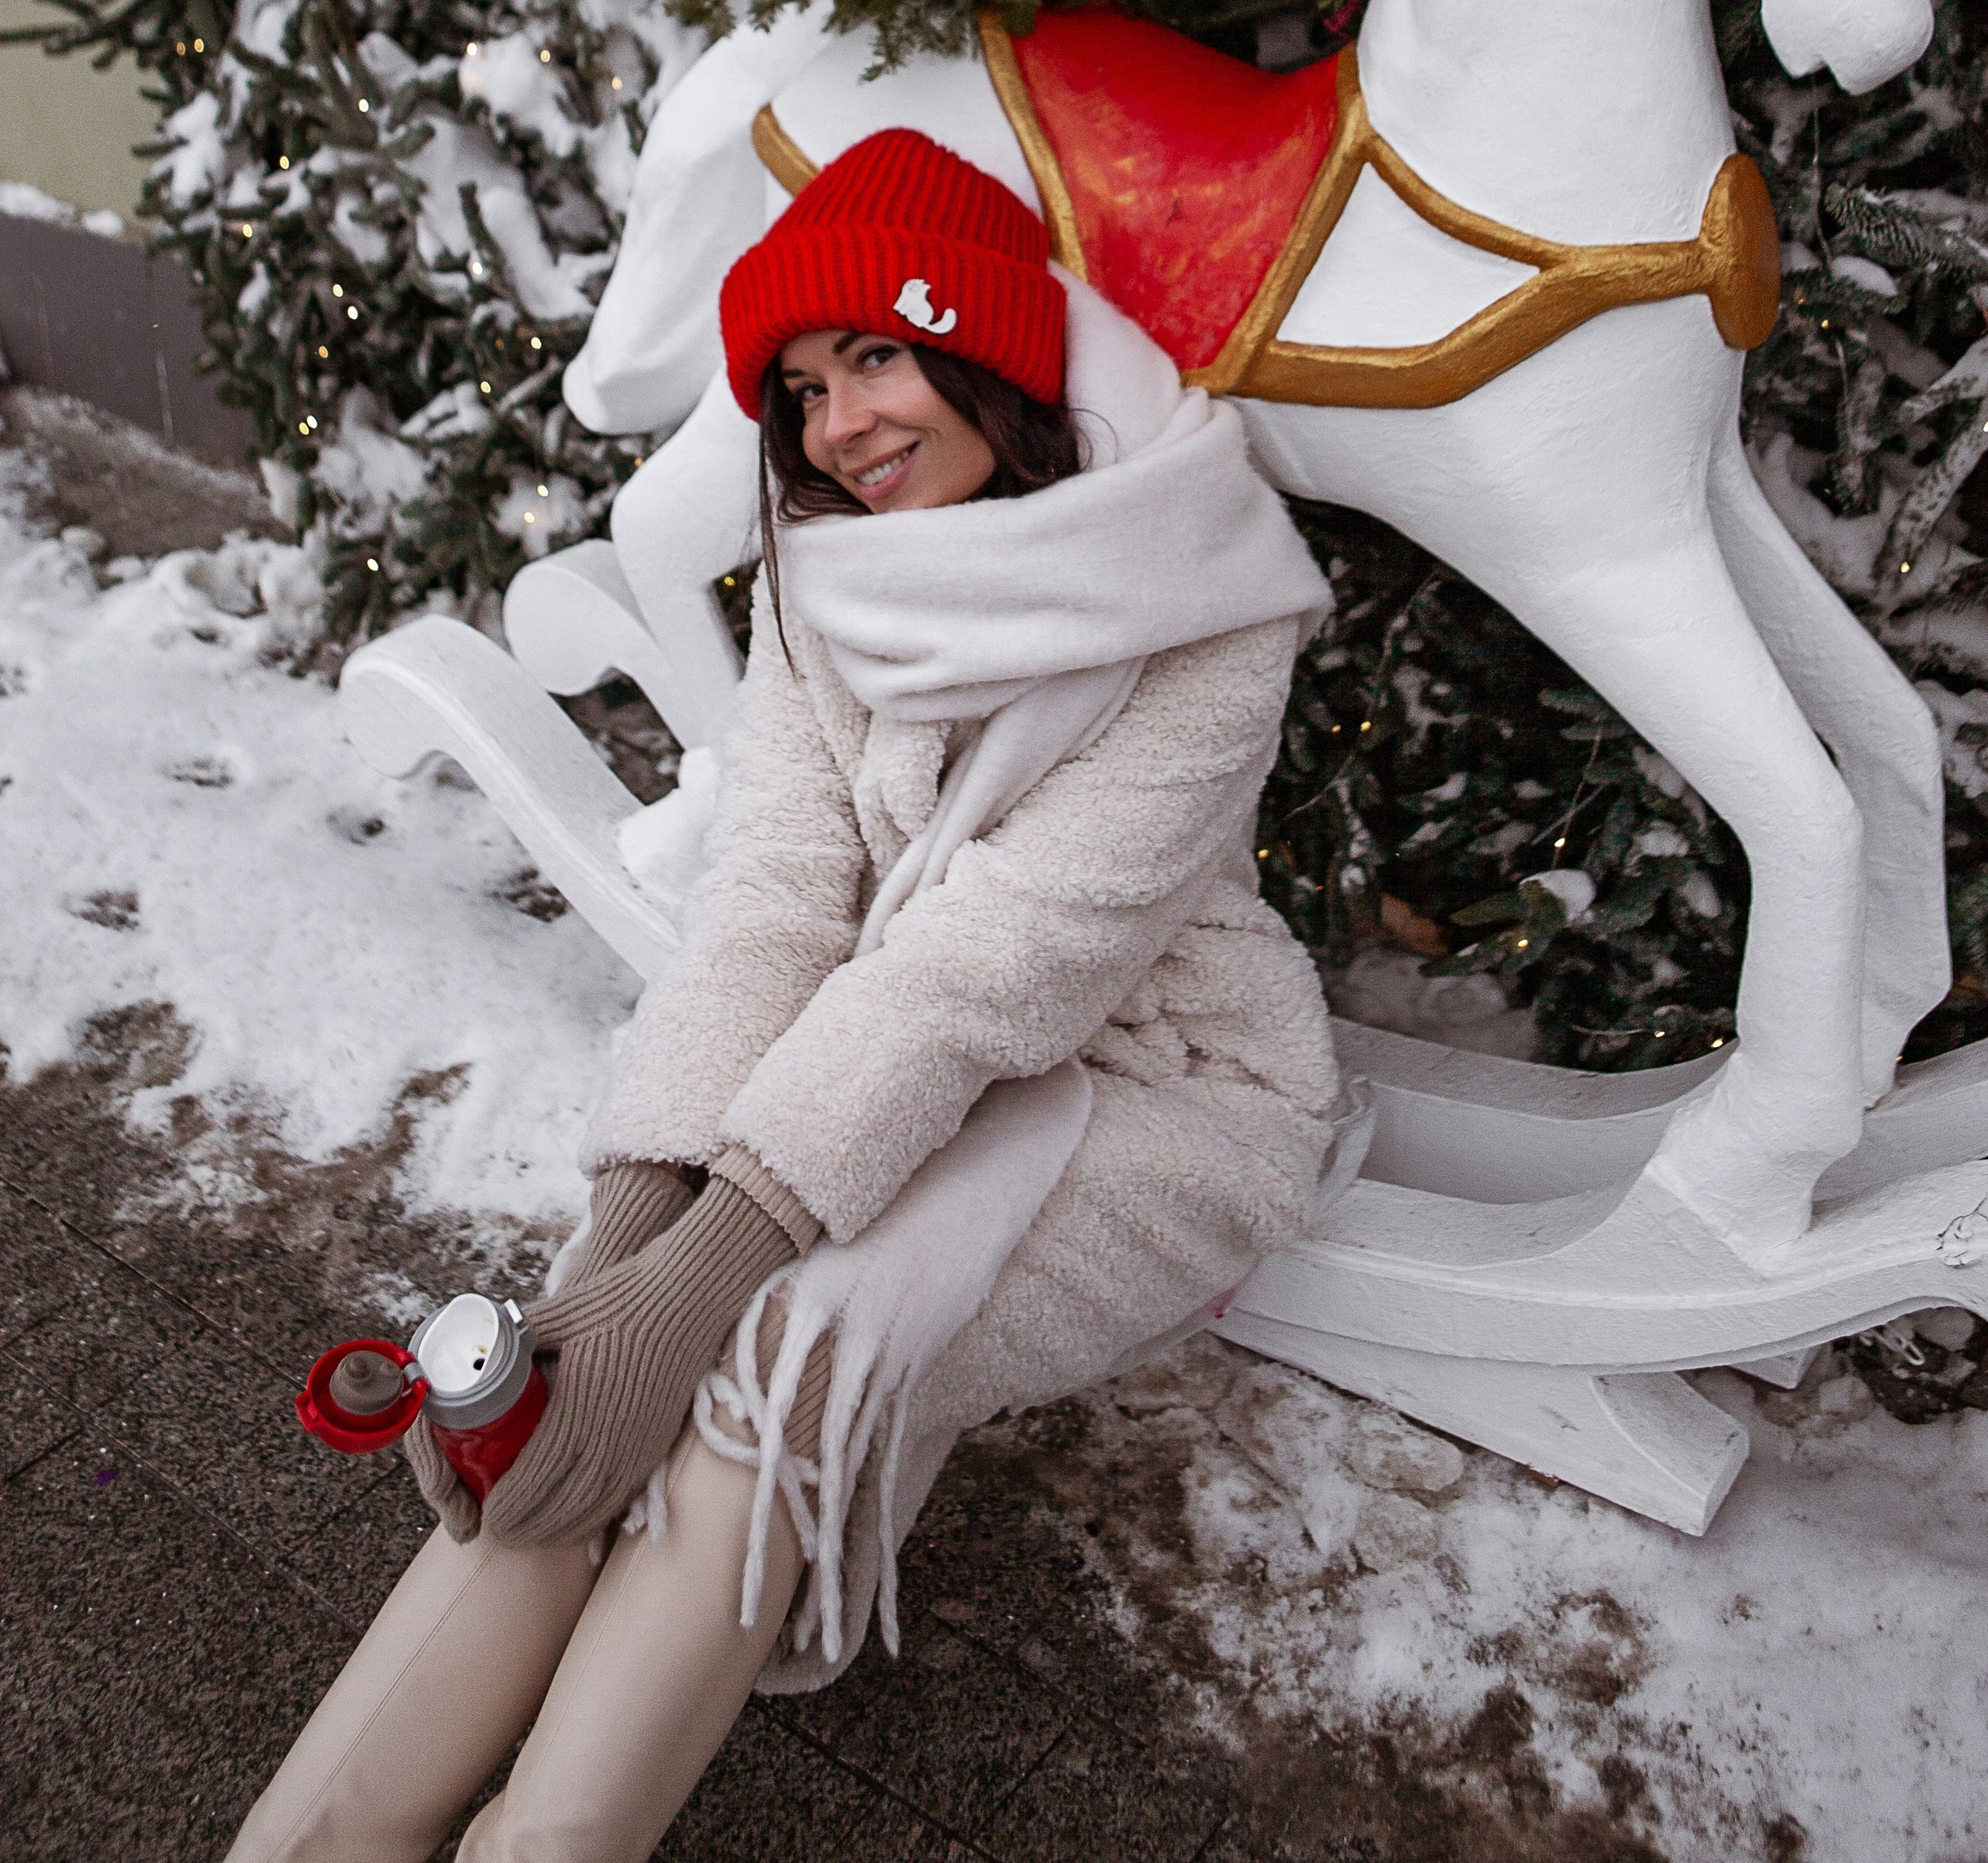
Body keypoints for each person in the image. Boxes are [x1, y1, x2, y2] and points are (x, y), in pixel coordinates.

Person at [228, 128, 1339, 1863]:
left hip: (1152, 1086)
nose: (837, 428)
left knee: (770, 1362)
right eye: (805, 390)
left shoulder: (1202, 593)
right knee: (587, 1355)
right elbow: (769, 907)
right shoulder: (834, 577)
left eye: (875, 357)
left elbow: (992, 971)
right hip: (876, 1048)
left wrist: (697, 1278)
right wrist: (617, 1258)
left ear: (983, 349)